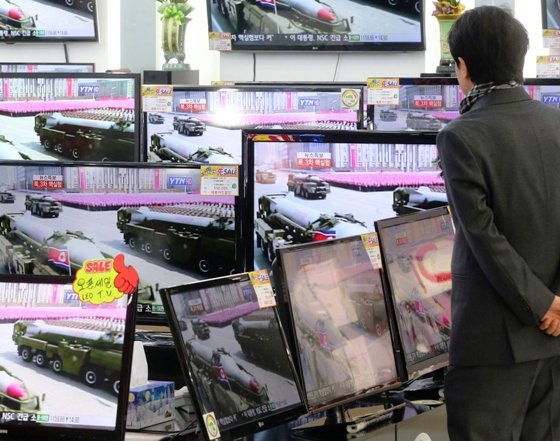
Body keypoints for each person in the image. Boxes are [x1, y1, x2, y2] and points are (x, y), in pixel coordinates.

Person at [436, 6, 560, 441]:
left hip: (492, 346)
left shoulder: (461, 135)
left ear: (463, 67)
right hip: (555, 336)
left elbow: (484, 239)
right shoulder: (557, 122)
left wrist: (541, 304)